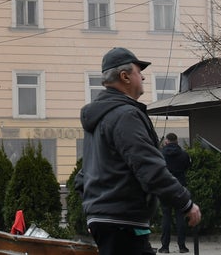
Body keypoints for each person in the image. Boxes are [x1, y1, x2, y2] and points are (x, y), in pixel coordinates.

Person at [77, 47, 201, 255]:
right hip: (122, 222)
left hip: (112, 221)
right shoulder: (125, 116)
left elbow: (82, 177)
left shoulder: (101, 118)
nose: (143, 76)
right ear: (125, 76)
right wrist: (186, 203)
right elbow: (150, 168)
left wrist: (93, 213)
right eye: (138, 71)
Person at [158, 133, 192, 253]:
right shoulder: (184, 154)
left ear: (166, 141)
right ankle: (182, 246)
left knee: (166, 217)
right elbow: (188, 166)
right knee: (180, 217)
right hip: (180, 188)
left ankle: (165, 247)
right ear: (177, 141)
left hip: (165, 188)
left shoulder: (160, 154)